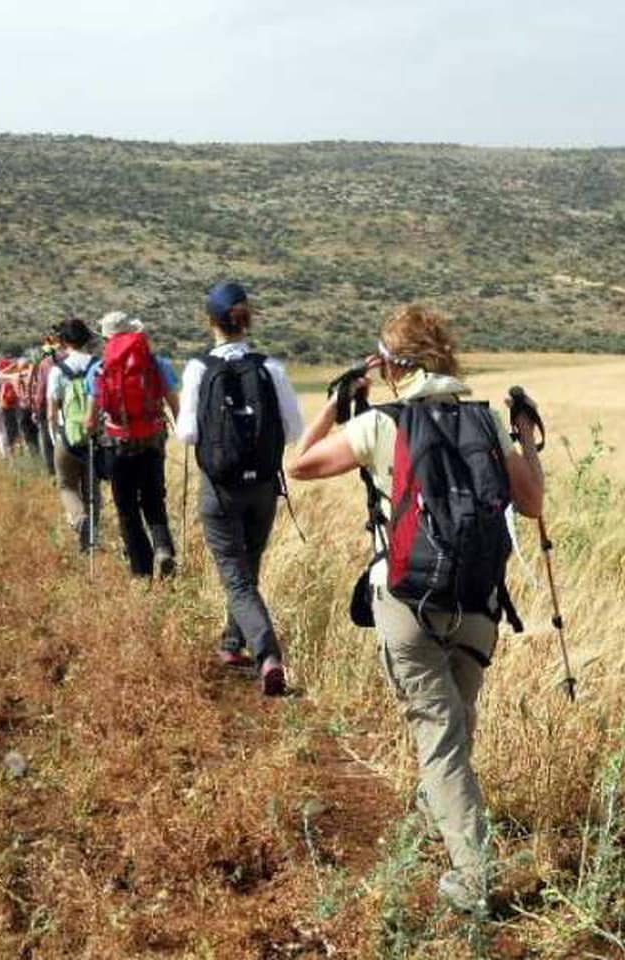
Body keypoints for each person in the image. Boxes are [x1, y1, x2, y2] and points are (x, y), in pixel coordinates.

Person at [288, 303, 545, 913]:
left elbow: (299, 465)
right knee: (456, 723)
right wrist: (525, 436)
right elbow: (532, 501)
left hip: (406, 598)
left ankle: (475, 875)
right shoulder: (484, 423)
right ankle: (438, 815)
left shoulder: (382, 424)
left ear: (392, 365)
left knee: (441, 734)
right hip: (478, 599)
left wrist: (336, 402)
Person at [176, 281, 304, 696]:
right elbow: (294, 430)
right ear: (248, 320)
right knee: (248, 568)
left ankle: (268, 654)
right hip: (263, 486)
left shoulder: (199, 369)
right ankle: (232, 644)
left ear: (209, 321)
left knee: (236, 577)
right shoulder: (270, 368)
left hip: (220, 489)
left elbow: (187, 434)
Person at [87, 310, 179, 579]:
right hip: (152, 440)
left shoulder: (99, 368)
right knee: (154, 499)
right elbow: (175, 405)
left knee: (126, 508)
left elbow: (90, 420)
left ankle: (142, 571)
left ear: (107, 339)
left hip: (116, 444)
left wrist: (91, 432)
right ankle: (163, 548)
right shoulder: (157, 363)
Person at [47, 318, 101, 552]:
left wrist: (54, 437)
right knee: (92, 491)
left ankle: (79, 519)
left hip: (67, 438)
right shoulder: (99, 365)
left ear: (64, 341)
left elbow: (51, 411)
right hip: (94, 437)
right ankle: (90, 543)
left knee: (67, 486)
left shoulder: (57, 370)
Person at [30, 337, 60, 476]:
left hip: (48, 406)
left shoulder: (44, 364)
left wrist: (36, 409)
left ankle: (52, 471)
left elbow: (41, 390)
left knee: (47, 440)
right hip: (65, 405)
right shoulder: (66, 361)